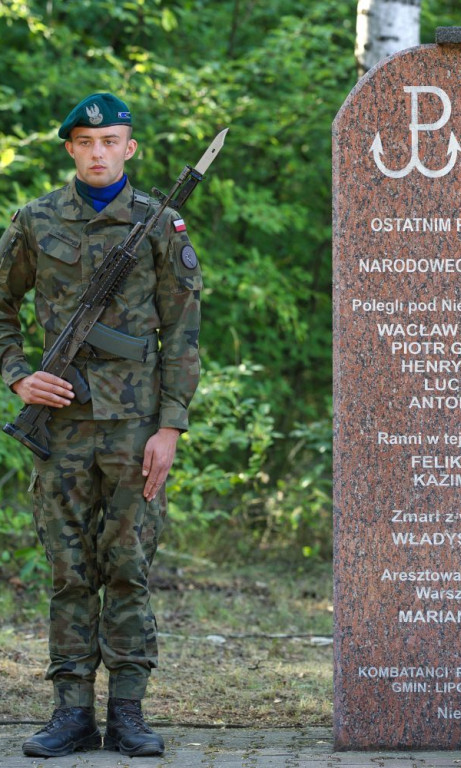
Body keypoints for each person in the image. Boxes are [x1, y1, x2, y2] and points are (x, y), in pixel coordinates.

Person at [0, 93, 202, 757]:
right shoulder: (33, 222)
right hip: (58, 430)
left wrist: (169, 427)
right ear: (69, 149)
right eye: (85, 142)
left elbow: (182, 336)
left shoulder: (159, 226)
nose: (97, 153)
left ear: (129, 148)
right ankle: (70, 714)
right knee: (68, 572)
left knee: (129, 570)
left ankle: (129, 715)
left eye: (109, 141)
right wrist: (18, 376)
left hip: (133, 431)